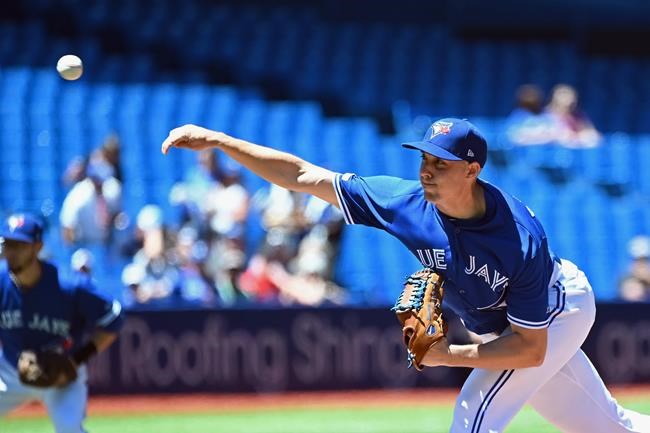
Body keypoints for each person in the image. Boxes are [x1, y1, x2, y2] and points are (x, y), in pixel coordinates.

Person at [161, 119, 649, 433]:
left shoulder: (517, 237)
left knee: (473, 418)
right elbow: (303, 176)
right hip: (510, 330)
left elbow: (531, 349)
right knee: (609, 427)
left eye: (441, 162)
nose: (427, 170)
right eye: (423, 158)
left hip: (557, 311)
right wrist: (223, 142)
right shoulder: (404, 202)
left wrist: (446, 355)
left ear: (472, 170)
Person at [0, 213, 124, 432]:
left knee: (70, 429)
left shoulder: (69, 285)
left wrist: (77, 360)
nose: (10, 252)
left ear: (37, 247)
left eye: (19, 245)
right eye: (7, 244)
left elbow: (114, 319)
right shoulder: (1, 282)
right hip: (9, 373)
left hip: (61, 376)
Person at [618, 235, 650, 302]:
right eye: (637, 260)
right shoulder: (624, 280)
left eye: (644, 260)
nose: (641, 264)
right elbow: (631, 297)